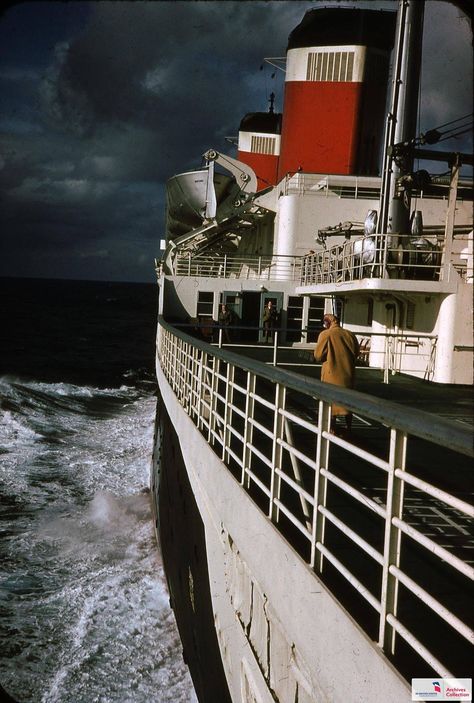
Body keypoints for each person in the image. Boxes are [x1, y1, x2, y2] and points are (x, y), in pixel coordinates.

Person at [314, 313, 360, 434]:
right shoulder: (350, 334)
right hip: (348, 373)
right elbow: (356, 352)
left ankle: (332, 429)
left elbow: (318, 356)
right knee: (348, 402)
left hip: (331, 374)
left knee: (331, 403)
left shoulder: (326, 334)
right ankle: (349, 428)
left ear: (327, 323)